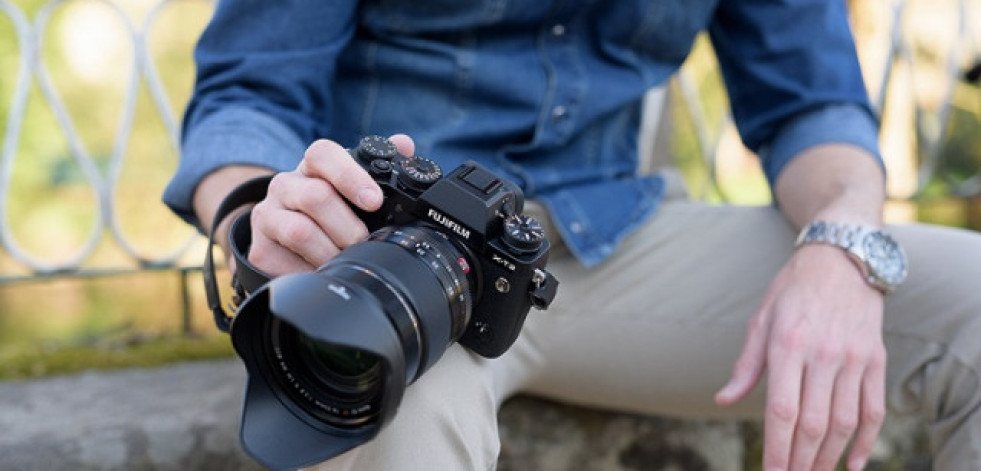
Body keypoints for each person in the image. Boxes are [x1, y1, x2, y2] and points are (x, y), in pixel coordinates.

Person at [164, 1, 981, 470]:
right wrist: (258, 215)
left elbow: (812, 104)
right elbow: (249, 92)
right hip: (385, 259)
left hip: (609, 240)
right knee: (374, 406)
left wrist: (839, 245)